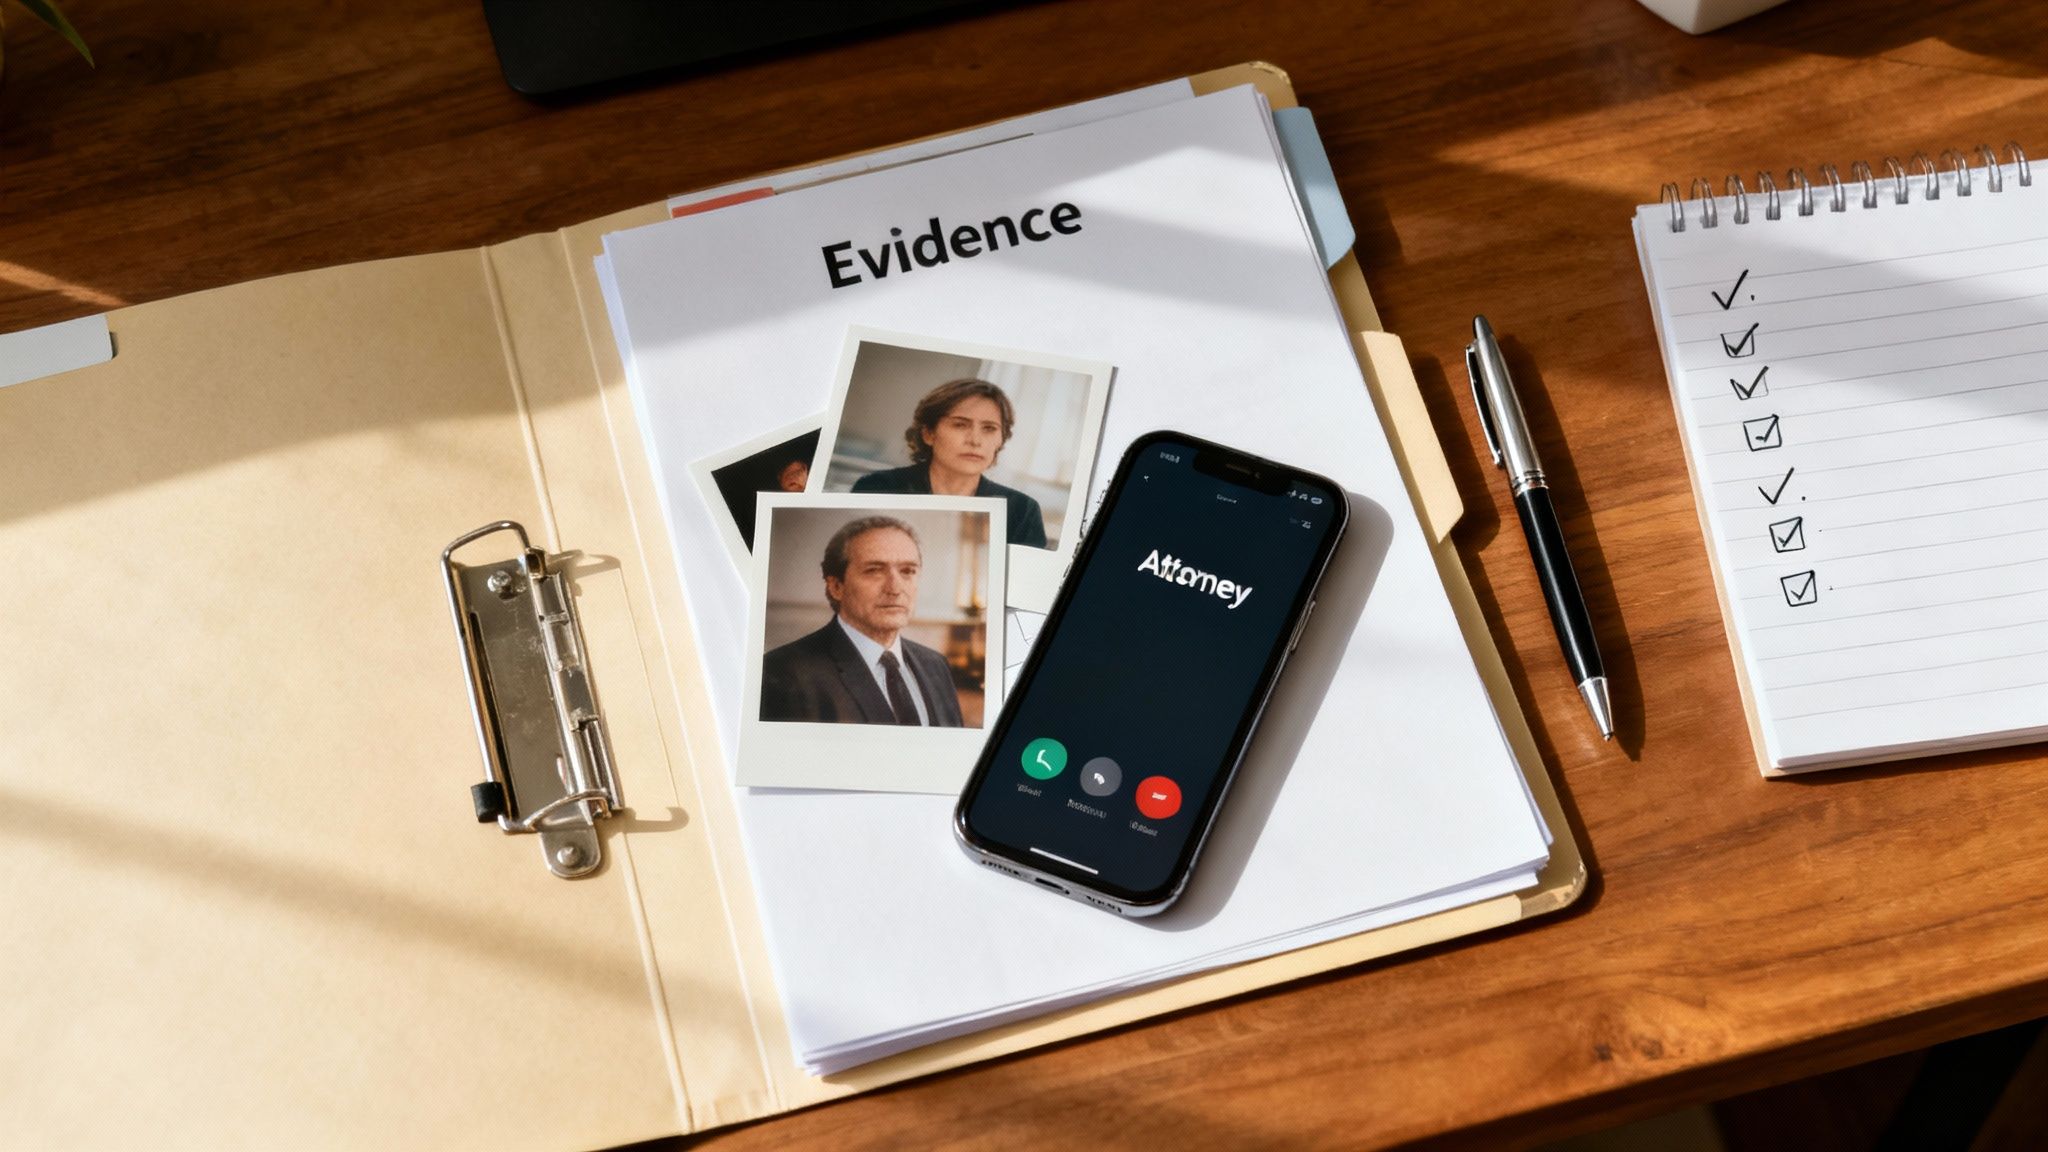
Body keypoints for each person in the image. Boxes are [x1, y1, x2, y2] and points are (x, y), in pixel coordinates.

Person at [759, 515, 965, 726]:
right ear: (836, 586)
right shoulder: (785, 672)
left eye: (907, 571)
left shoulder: (935, 664)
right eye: (874, 571)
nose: (895, 588)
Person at [850, 379, 1048, 547]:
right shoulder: (877, 488)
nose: (975, 440)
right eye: (960, 425)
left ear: (1001, 440)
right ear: (929, 433)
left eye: (989, 428)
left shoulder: (1022, 511)